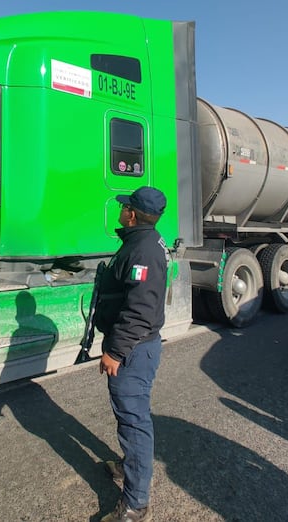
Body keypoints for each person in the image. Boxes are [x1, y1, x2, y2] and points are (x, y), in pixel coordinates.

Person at [95, 186, 169, 522]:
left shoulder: (142, 251)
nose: (122, 210)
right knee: (132, 417)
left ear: (133, 215)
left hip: (134, 351)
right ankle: (129, 467)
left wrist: (115, 351)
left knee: (134, 422)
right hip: (137, 347)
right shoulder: (142, 242)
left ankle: (136, 505)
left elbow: (140, 311)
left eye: (125, 207)